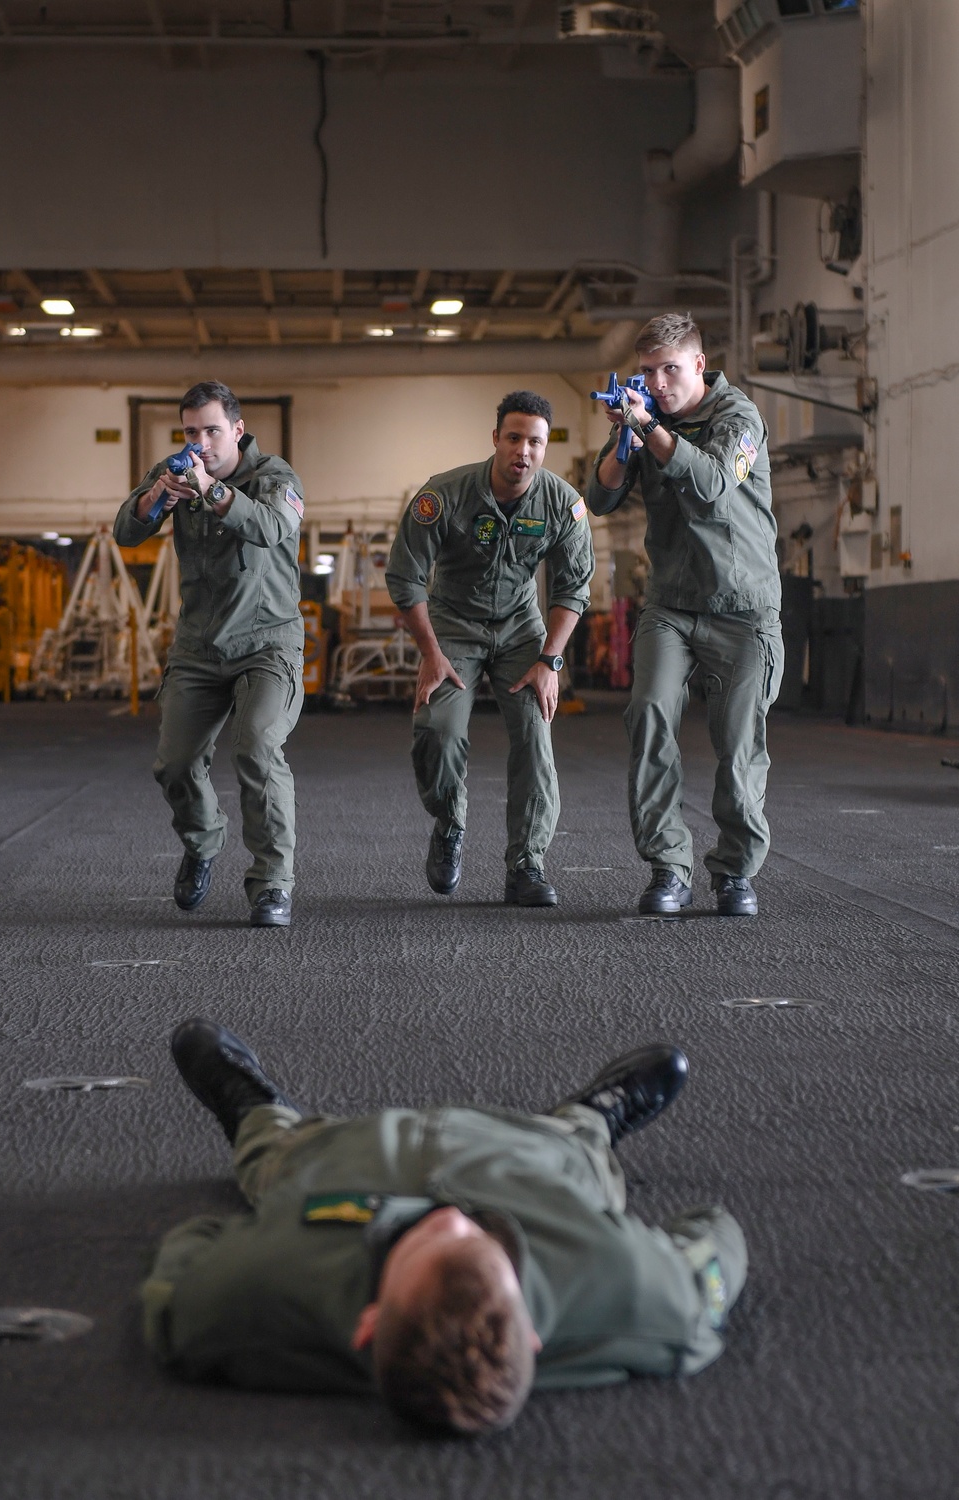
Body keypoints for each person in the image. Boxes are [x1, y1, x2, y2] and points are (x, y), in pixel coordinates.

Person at [141, 1018, 747, 1436]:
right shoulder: (640, 1291)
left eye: (431, 1240)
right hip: (525, 1154)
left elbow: (188, 1251)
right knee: (575, 1151)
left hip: (337, 1156)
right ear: (533, 1334)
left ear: (370, 1323)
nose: (453, 1216)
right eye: (484, 1244)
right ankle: (591, 1119)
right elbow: (714, 1231)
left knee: (275, 1155)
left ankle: (253, 1110)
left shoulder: (234, 1303)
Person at [585, 314, 784, 918]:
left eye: (669, 369)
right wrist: (625, 441)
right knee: (647, 714)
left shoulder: (738, 417)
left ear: (698, 364)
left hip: (742, 607)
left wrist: (648, 428)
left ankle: (734, 872)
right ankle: (668, 866)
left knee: (738, 741)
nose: (658, 382)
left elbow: (715, 484)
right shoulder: (644, 413)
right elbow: (599, 497)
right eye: (648, 371)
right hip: (671, 604)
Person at [385, 391, 595, 907]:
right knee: (438, 730)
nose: (524, 451)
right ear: (495, 439)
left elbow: (574, 587)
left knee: (534, 733)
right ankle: (449, 822)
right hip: (453, 628)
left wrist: (550, 661)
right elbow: (405, 578)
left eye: (537, 442)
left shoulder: (562, 503)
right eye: (515, 438)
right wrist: (431, 653)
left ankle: (527, 862)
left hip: (522, 630)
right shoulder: (444, 495)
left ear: (546, 449)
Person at [113, 381, 305, 928]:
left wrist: (213, 492)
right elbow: (126, 532)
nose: (201, 441)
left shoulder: (275, 478)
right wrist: (158, 497)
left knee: (258, 749)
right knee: (173, 764)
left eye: (212, 431)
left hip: (267, 644)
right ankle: (202, 842)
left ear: (237, 431)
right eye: (191, 431)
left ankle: (272, 883)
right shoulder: (173, 473)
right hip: (199, 645)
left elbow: (271, 528)